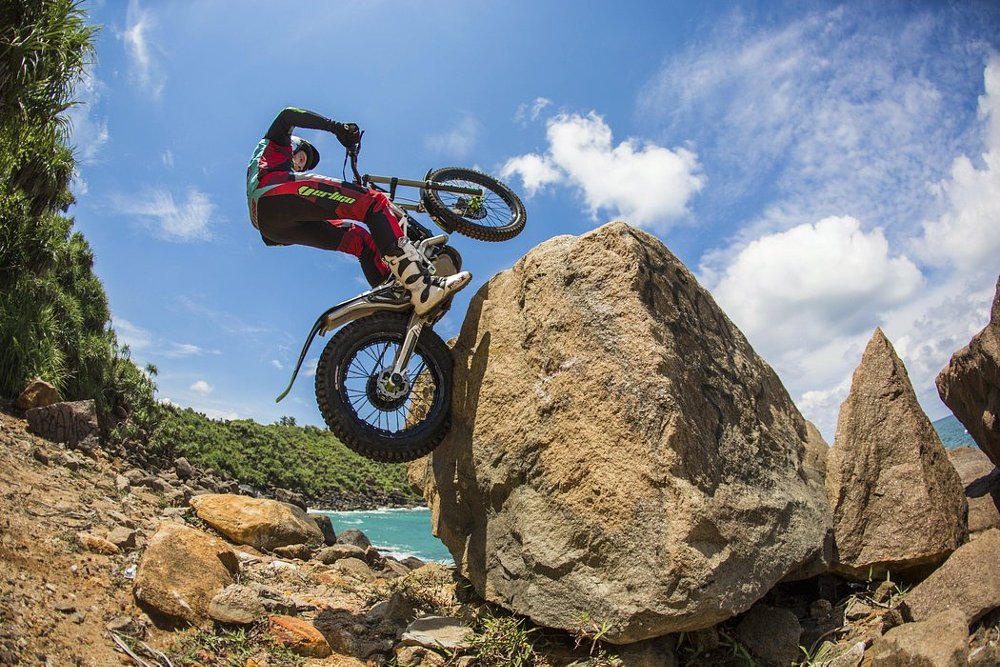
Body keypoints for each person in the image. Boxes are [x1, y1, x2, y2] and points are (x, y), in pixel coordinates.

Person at [246, 106, 470, 315]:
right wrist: (337, 127)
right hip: (274, 192)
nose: (301, 165)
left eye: (303, 164)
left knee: (359, 239)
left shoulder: (268, 169)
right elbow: (288, 114)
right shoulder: (275, 144)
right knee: (372, 202)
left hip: (273, 228)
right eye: (301, 158)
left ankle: (395, 298)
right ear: (292, 145)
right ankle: (421, 287)